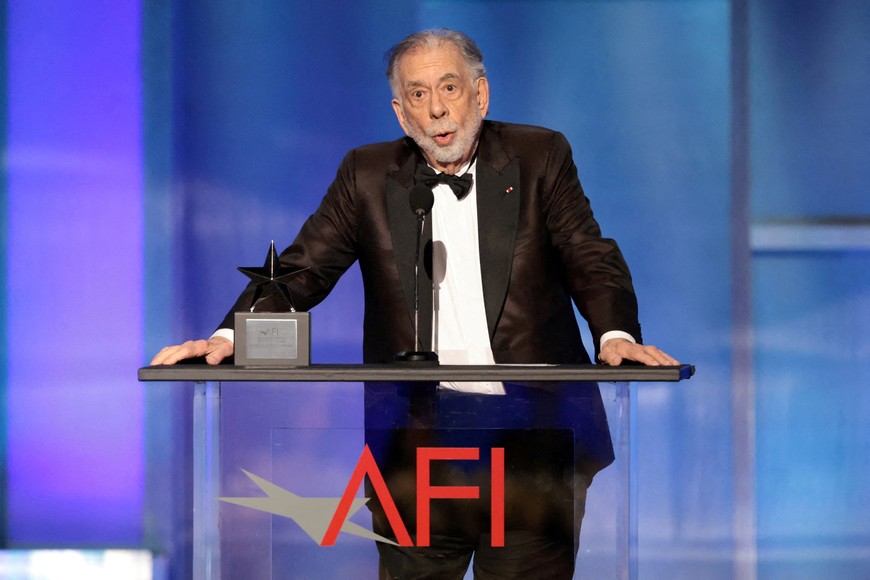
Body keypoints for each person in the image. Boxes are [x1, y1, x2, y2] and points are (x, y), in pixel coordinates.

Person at [152, 28, 678, 579]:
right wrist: (227, 337)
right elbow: (302, 268)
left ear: (481, 94)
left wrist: (615, 336)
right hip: (419, 445)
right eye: (419, 95)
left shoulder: (540, 156)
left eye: (449, 87)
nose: (437, 109)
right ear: (402, 114)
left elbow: (587, 254)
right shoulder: (368, 175)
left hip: (535, 440)